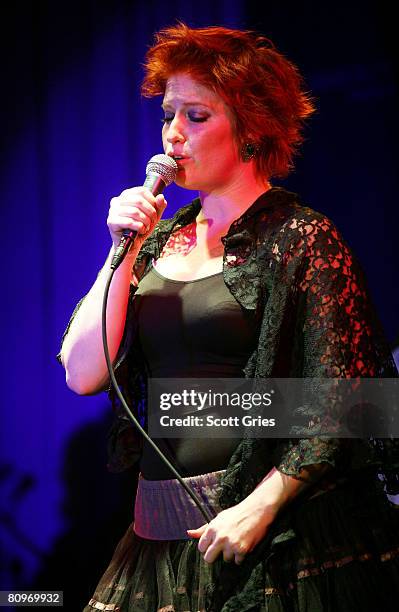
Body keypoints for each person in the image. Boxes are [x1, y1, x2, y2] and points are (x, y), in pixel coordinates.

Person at [58, 23, 399, 612]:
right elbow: (84, 373)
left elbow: (352, 399)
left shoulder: (302, 239)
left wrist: (260, 503)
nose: (173, 136)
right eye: (169, 115)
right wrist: (124, 247)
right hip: (162, 531)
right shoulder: (157, 242)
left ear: (250, 127)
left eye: (197, 116)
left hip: (276, 528)